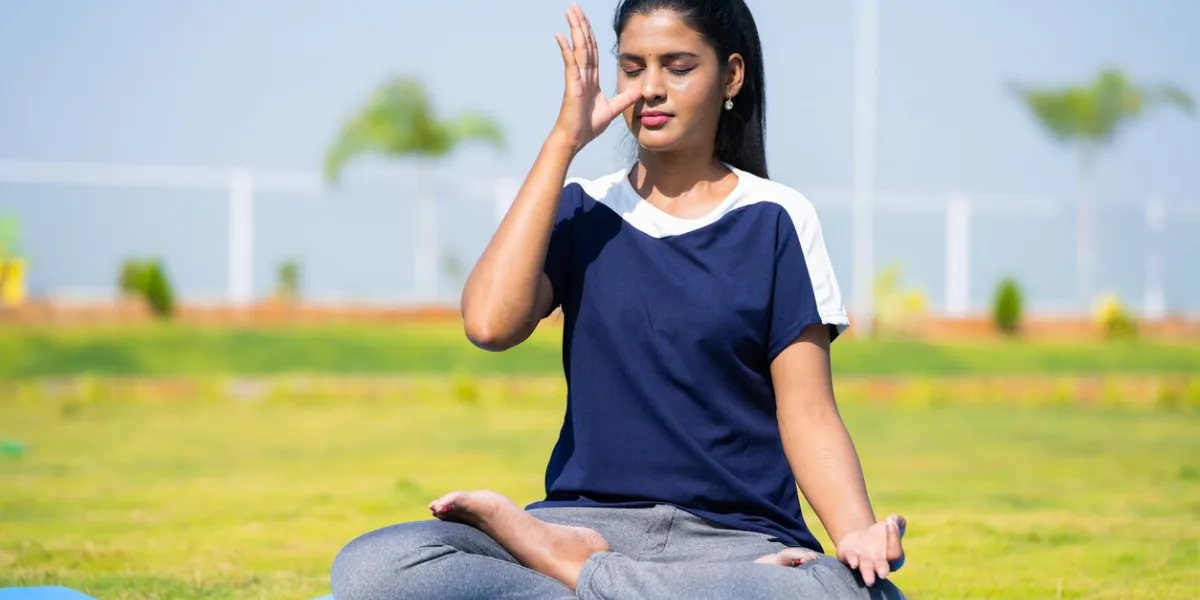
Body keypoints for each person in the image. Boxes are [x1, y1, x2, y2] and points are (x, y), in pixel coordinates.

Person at [330, 1, 908, 598]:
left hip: (735, 543)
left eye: (678, 67)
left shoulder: (778, 220)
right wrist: (564, 140)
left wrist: (856, 533)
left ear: (731, 76)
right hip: (580, 524)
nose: (651, 89)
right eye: (633, 67)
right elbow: (487, 323)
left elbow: (808, 413)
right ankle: (606, 575)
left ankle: (582, 578)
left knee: (851, 594)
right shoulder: (584, 210)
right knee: (375, 566)